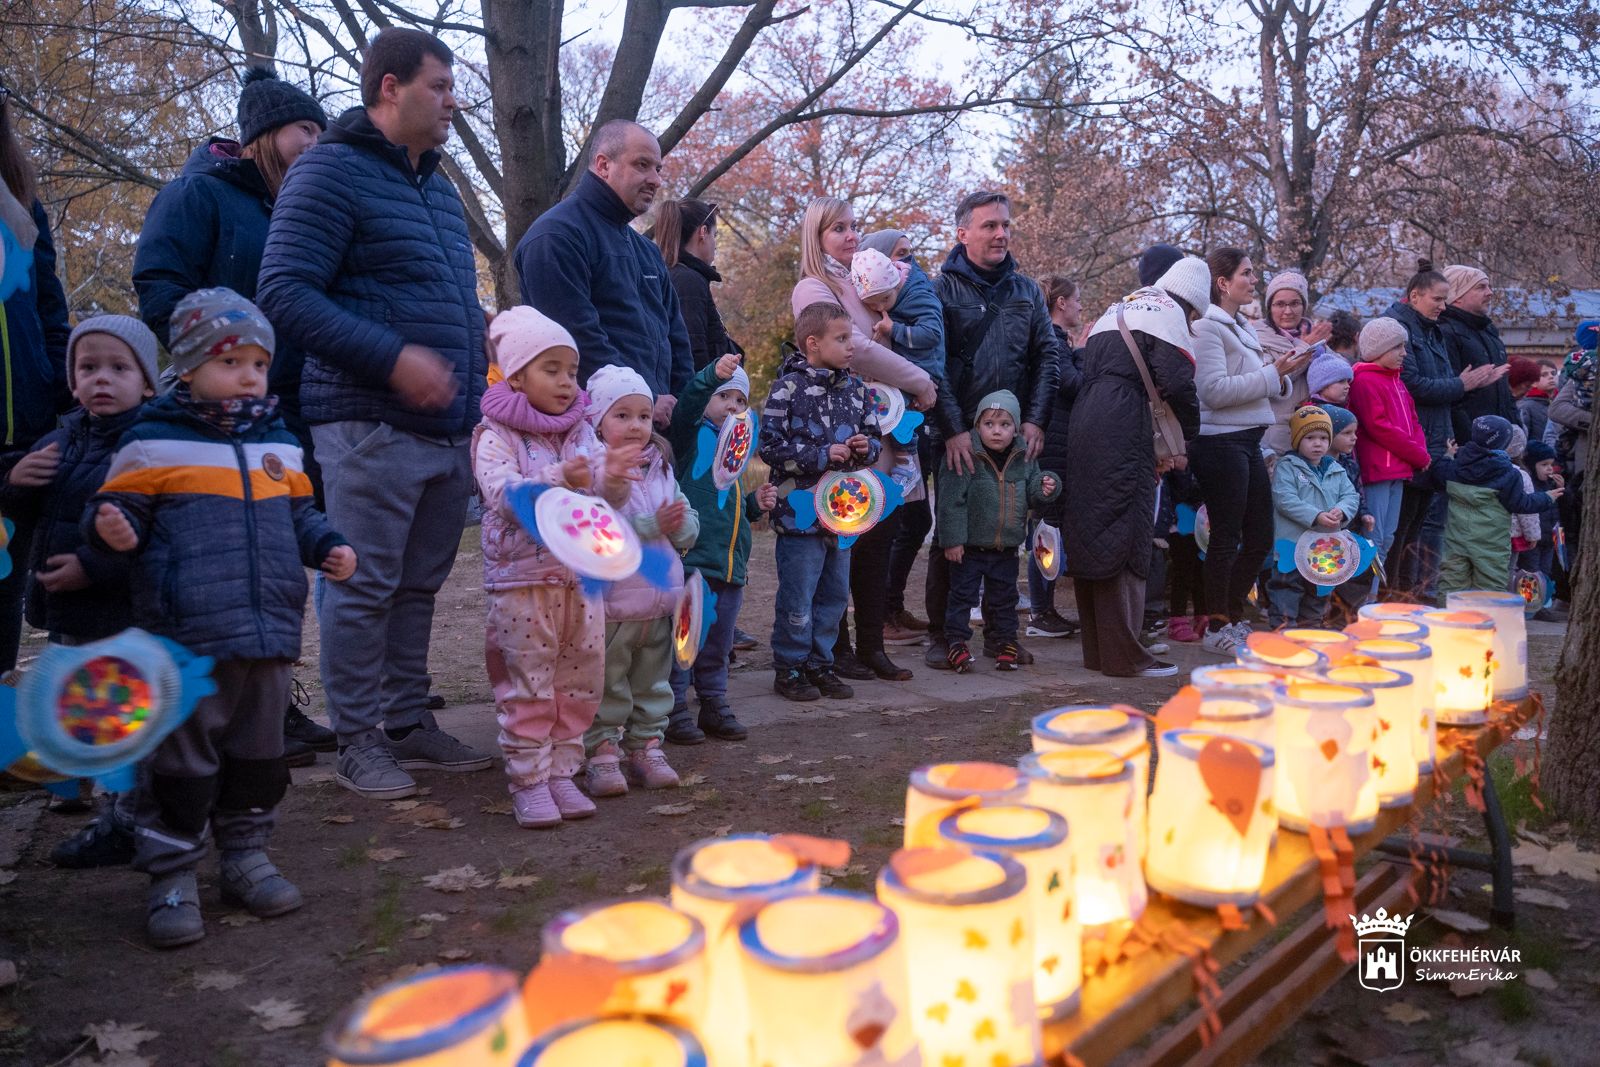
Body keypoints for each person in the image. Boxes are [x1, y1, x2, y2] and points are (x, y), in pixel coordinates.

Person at [257, 28, 492, 800]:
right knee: (362, 583)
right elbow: (285, 293)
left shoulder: (437, 185)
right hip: (366, 422)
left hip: (446, 427)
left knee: (419, 584)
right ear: (390, 88)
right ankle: (358, 738)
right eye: (440, 84)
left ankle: (406, 721)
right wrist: (394, 358)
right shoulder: (330, 171)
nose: (454, 99)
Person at [87, 289, 355, 948]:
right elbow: (115, 517)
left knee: (259, 756)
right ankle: (171, 871)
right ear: (187, 364)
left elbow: (299, 515)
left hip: (268, 632)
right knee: (181, 761)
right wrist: (113, 532)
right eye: (230, 359)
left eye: (259, 363)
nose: (248, 375)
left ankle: (245, 853)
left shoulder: (277, 441)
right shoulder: (151, 439)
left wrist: (326, 544)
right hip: (188, 638)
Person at [132, 66, 334, 764]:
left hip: (291, 409)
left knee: (279, 555)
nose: (318, 141)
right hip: (209, 417)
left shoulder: (306, 204)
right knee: (211, 557)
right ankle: (198, 708)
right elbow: (157, 282)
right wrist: (212, 360)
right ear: (265, 136)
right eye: (307, 128)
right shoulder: (198, 194)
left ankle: (271, 699)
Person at [469, 306, 636, 828]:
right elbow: (502, 493)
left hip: (579, 580)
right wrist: (558, 475)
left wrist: (612, 477)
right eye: (552, 369)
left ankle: (564, 770)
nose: (567, 382)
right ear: (517, 375)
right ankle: (530, 780)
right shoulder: (496, 434)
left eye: (572, 370)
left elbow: (607, 502)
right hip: (523, 583)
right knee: (529, 680)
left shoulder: (582, 431)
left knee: (581, 677)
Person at [0, 317, 158, 868]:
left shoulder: (152, 446)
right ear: (73, 381)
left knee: (130, 722)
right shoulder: (61, 439)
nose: (102, 380)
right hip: (71, 618)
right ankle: (105, 809)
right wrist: (16, 482)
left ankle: (134, 821)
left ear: (149, 382)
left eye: (119, 367)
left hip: (126, 614)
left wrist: (93, 567)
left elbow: (155, 534)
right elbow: (22, 512)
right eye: (88, 368)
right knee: (91, 721)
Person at [790, 198, 934, 682]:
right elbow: (859, 348)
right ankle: (839, 648)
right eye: (839, 229)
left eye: (854, 227)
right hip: (842, 430)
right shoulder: (813, 287)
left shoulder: (861, 281)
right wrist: (920, 380)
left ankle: (872, 644)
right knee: (845, 537)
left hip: (883, 427)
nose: (852, 236)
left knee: (881, 536)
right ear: (817, 237)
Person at [927, 191, 1062, 671]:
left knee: (1006, 537)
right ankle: (945, 638)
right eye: (989, 225)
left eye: (1005, 225)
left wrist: (1036, 419)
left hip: (1014, 435)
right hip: (959, 435)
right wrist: (953, 428)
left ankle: (1002, 637)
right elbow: (932, 365)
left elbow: (1049, 356)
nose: (1001, 233)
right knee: (954, 535)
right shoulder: (938, 291)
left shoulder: (1027, 291)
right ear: (963, 234)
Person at [1063, 256, 1203, 679]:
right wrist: (1189, 433)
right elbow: (1177, 381)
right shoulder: (1169, 315)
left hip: (1088, 417)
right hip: (1126, 423)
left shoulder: (1118, 309)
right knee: (1126, 532)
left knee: (1094, 527)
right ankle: (1127, 655)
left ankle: (1100, 650)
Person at [580, 366, 699, 797]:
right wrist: (652, 524)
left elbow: (686, 520)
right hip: (612, 605)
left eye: (644, 417)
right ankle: (602, 754)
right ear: (596, 421)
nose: (636, 426)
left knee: (653, 683)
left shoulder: (661, 467)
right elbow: (597, 531)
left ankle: (647, 746)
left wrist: (682, 526)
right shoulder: (593, 473)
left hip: (661, 603)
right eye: (622, 415)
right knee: (607, 685)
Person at [515, 119, 691, 409]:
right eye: (642, 164)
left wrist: (686, 408)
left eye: (658, 169)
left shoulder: (647, 251)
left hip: (656, 430)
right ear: (603, 165)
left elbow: (677, 342)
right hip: (586, 435)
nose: (656, 180)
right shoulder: (556, 237)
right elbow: (576, 341)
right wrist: (642, 400)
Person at [759, 302, 882, 702]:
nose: (851, 347)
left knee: (832, 596)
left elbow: (874, 439)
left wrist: (866, 447)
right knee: (799, 595)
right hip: (799, 517)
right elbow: (770, 447)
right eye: (841, 339)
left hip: (844, 516)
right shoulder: (786, 389)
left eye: (850, 338)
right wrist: (821, 455)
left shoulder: (858, 390)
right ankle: (790, 667)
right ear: (813, 343)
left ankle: (820, 664)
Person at [1190, 248, 1309, 655]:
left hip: (1248, 439)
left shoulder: (1241, 326)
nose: (1254, 279)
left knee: (1260, 537)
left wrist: (1284, 374)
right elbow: (1213, 391)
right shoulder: (1207, 326)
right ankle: (1215, 626)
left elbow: (1257, 384)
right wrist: (1271, 373)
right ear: (1223, 283)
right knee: (1226, 537)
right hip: (1219, 441)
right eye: (1247, 273)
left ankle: (1234, 617)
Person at [666, 353, 778, 744]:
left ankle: (713, 703)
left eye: (740, 401)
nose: (732, 405)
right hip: (692, 564)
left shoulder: (737, 452)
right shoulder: (690, 438)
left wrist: (752, 504)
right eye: (724, 396)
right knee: (685, 641)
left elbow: (723, 505)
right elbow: (687, 407)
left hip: (730, 566)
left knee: (719, 643)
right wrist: (710, 376)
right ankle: (674, 708)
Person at [0, 87, 73, 672]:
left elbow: (51, 311)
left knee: (6, 594)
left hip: (24, 437)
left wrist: (55, 396)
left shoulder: (20, 205)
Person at [1383, 260, 1503, 601]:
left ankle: (1411, 596)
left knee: (1418, 527)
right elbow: (1414, 384)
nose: (1443, 306)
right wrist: (1461, 384)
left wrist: (1470, 385)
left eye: (1445, 298)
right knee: (1401, 530)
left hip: (1435, 443)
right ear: (1415, 295)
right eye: (1437, 298)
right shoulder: (1397, 329)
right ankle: (1394, 599)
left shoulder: (1431, 328)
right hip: (1410, 443)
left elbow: (1446, 387)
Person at [936, 389, 1060, 671]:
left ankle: (1005, 641)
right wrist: (952, 540)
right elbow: (951, 501)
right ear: (977, 426)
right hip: (969, 548)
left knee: (1006, 599)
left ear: (1016, 427)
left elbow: (1032, 493)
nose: (996, 432)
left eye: (1004, 425)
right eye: (988, 424)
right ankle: (956, 642)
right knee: (962, 597)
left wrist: (1045, 486)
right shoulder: (967, 455)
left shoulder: (1024, 457)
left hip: (1006, 548)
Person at [1437, 416, 1560, 595]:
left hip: (1457, 539)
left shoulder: (1456, 466)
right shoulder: (1509, 474)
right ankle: (1487, 620)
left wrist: (1448, 456)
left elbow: (1439, 473)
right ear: (1504, 443)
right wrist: (1547, 498)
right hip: (1491, 543)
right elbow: (1521, 503)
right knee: (1490, 585)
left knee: (1452, 581)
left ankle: (1448, 619)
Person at [1348, 316, 1431, 567]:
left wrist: (1420, 452)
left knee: (1388, 537)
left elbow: (1413, 422)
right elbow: (1379, 427)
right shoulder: (1364, 380)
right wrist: (1417, 455)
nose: (1404, 353)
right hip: (1378, 470)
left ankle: (1372, 597)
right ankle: (1363, 598)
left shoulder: (1396, 381)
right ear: (1378, 349)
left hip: (1399, 468)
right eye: (1397, 347)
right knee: (1373, 537)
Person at [1028, 275, 1085, 640]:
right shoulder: (1051, 339)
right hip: (1053, 445)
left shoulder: (1057, 339)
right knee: (1044, 525)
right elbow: (1072, 383)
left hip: (1060, 442)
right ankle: (1039, 612)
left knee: (1050, 523)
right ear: (1061, 303)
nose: (1081, 306)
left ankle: (1044, 608)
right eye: (1077, 299)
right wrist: (1085, 350)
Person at [1268, 407, 1361, 625]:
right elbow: (1284, 499)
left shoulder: (1335, 468)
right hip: (1291, 543)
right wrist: (1316, 515)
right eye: (1310, 438)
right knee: (1286, 587)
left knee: (1319, 589)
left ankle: (1309, 628)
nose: (1317, 443)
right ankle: (1283, 628)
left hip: (1325, 546)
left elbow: (1351, 495)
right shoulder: (1287, 467)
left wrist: (1342, 510)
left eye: (1322, 438)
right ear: (1297, 440)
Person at [652, 197, 740, 372]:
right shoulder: (688, 281)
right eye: (715, 235)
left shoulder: (675, 276)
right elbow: (693, 350)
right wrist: (706, 392)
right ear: (703, 232)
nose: (715, 245)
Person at [1253, 269, 1329, 456]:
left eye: (1295, 303)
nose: (1288, 311)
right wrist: (1305, 349)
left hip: (1315, 435)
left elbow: (1339, 373)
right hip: (1276, 436)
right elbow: (1272, 380)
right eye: (1280, 304)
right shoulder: (1255, 338)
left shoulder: (1314, 334)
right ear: (1269, 307)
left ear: (1304, 306)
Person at [1438, 266, 1516, 444]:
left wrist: (1515, 426)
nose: (1490, 293)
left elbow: (1504, 391)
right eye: (1480, 287)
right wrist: (1472, 442)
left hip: (1500, 440)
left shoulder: (1489, 332)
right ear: (1457, 295)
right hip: (1473, 444)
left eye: (1488, 286)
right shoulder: (1445, 333)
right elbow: (1451, 399)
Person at [1321, 403, 1376, 621]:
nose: (1354, 438)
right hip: (1321, 530)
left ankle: (1344, 613)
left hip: (1347, 529)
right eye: (1346, 433)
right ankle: (1321, 613)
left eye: (1354, 433)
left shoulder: (1349, 464)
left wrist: (1364, 513)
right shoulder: (1313, 464)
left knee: (1358, 569)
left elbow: (1357, 492)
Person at [1520, 439, 1562, 616]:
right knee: (1530, 573)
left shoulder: (1549, 484)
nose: (1549, 469)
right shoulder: (1530, 485)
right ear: (1532, 464)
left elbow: (1561, 511)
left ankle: (1542, 605)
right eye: (1544, 464)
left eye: (1551, 465)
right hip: (1534, 538)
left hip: (1549, 537)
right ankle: (1529, 606)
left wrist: (1562, 490)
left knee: (1545, 573)